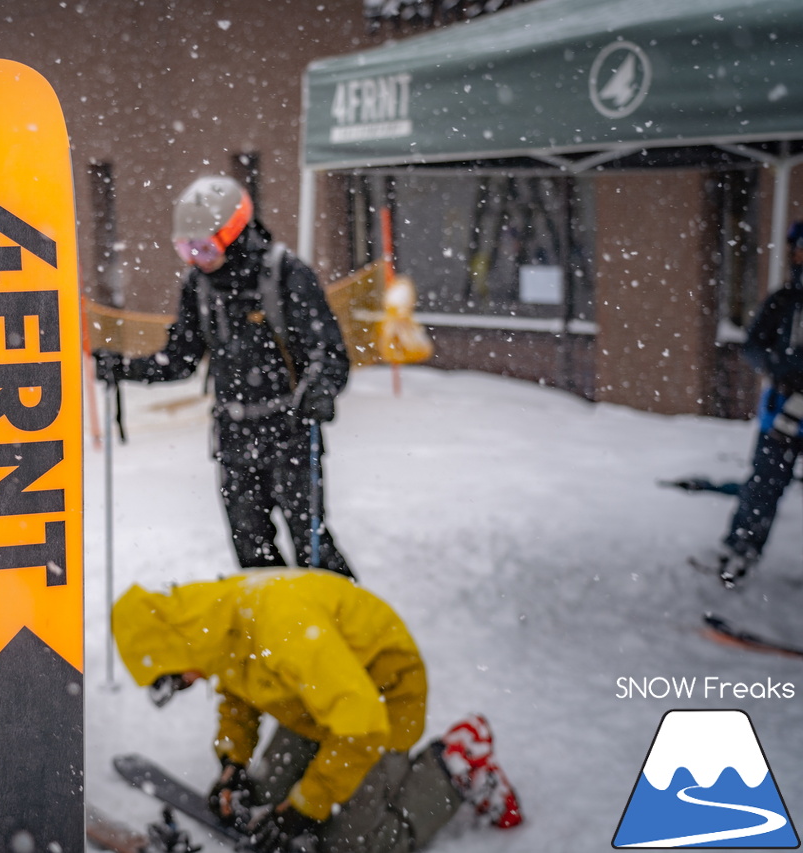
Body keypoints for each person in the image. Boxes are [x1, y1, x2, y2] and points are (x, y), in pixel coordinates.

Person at [112, 570, 523, 853]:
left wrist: (307, 806)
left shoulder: (280, 624)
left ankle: (452, 767)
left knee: (349, 842)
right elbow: (237, 694)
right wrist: (232, 767)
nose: (189, 683)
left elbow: (361, 725)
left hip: (382, 700)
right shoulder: (215, 624)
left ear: (176, 648)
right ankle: (318, 789)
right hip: (318, 706)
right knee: (263, 796)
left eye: (176, 680)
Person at [95, 176, 353, 577]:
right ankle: (277, 635)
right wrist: (125, 368)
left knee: (312, 547)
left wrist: (319, 387)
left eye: (204, 247)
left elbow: (330, 353)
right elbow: (179, 359)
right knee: (253, 555)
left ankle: (342, 627)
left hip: (291, 433)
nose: (196, 258)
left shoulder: (286, 275)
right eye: (186, 249)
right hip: (234, 440)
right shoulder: (199, 287)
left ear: (233, 234)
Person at [691, 221, 803, 587]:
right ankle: (739, 551)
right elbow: (754, 345)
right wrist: (780, 366)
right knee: (764, 485)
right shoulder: (783, 301)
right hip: (784, 410)